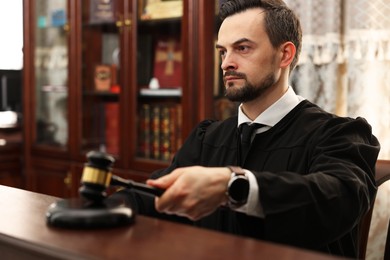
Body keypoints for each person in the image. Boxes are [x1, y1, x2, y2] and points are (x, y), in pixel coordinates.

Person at [117, 0, 380, 257]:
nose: (225, 63)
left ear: (284, 54)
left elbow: (338, 198)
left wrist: (233, 185)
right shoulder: (207, 137)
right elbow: (156, 198)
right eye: (223, 51)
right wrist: (109, 205)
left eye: (242, 48)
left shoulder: (339, 135)